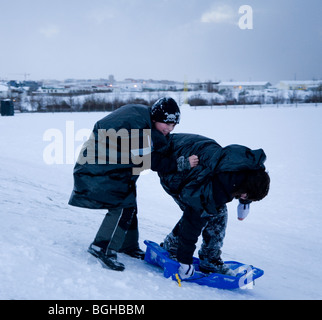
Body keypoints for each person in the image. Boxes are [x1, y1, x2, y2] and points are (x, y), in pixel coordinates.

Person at [69, 97, 198, 271]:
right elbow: (147, 160)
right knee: (121, 205)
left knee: (129, 203)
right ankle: (101, 247)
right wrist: (181, 164)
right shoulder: (138, 126)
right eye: (166, 123)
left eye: (173, 125)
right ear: (155, 118)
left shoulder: (143, 117)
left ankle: (126, 245)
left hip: (111, 166)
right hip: (98, 167)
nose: (169, 128)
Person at [158, 133, 270, 279]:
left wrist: (245, 204)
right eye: (244, 197)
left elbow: (251, 183)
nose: (242, 198)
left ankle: (208, 257)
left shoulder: (250, 166)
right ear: (244, 189)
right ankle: (176, 247)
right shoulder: (215, 188)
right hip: (174, 166)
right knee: (209, 211)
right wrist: (184, 261)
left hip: (193, 149)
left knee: (215, 210)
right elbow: (192, 221)